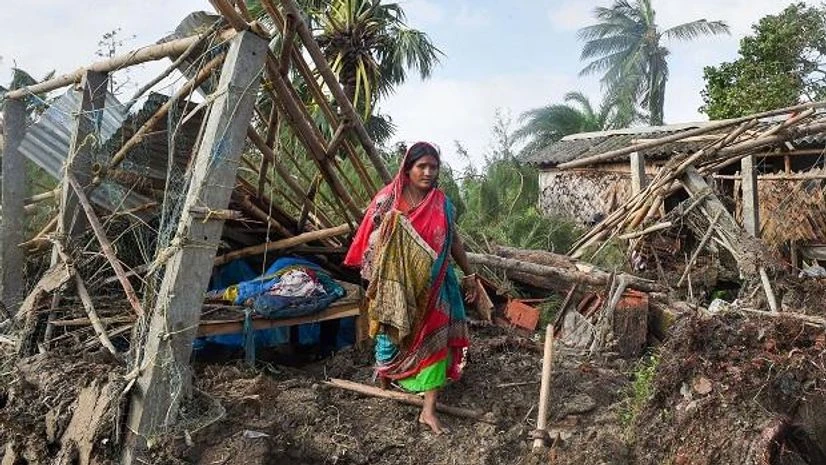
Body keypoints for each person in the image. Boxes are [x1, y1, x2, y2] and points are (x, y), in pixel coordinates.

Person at [344, 141, 478, 434]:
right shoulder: (387, 201)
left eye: (433, 167)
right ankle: (387, 378)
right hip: (396, 287)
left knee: (435, 341)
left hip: (435, 287)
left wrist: (470, 275)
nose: (428, 172)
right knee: (389, 338)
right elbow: (369, 242)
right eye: (422, 166)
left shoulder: (442, 203)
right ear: (408, 168)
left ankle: (428, 410)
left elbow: (453, 241)